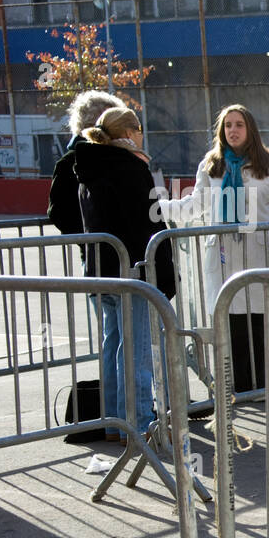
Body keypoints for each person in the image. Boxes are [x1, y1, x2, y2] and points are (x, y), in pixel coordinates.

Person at [161, 104, 269, 393]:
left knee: (257, 320)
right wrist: (157, 206)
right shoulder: (212, 165)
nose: (232, 130)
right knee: (230, 318)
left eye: (239, 125)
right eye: (228, 125)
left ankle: (261, 385)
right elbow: (194, 206)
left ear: (250, 130)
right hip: (223, 254)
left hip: (260, 254)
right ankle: (238, 386)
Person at [73, 106, 176, 443]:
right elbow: (146, 224)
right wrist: (163, 269)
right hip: (133, 271)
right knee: (136, 351)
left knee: (113, 344)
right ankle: (140, 422)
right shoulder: (130, 168)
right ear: (131, 132)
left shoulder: (88, 170)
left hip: (101, 272)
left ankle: (116, 422)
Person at [48, 90, 126, 267]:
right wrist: (91, 237)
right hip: (99, 258)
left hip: (128, 255)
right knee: (105, 294)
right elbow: (59, 212)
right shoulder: (68, 162)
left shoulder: (120, 158)